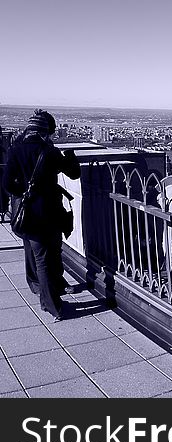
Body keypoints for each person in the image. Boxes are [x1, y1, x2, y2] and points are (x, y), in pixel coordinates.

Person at [2, 109, 80, 321]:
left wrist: (26, 193)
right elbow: (74, 173)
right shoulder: (50, 151)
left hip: (28, 215)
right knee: (51, 255)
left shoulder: (16, 150)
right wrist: (71, 158)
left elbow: (7, 184)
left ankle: (47, 298)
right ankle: (52, 305)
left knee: (40, 258)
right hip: (51, 213)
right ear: (45, 132)